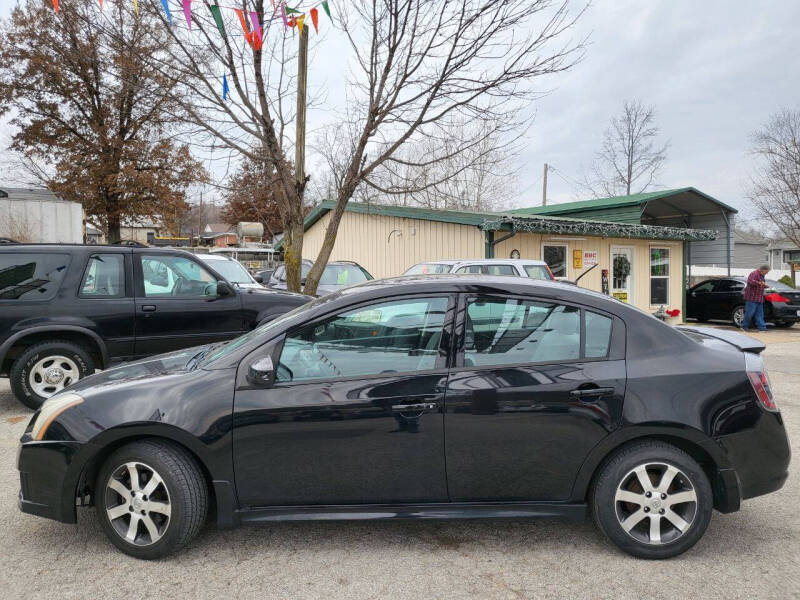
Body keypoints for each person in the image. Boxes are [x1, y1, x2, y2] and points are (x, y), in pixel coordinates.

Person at [741, 264, 770, 332]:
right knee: (749, 313)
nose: (767, 273)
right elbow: (750, 281)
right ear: (763, 270)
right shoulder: (754, 273)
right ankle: (744, 326)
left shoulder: (762, 275)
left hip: (759, 298)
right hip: (752, 298)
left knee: (760, 314)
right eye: (766, 271)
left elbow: (761, 284)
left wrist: (765, 286)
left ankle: (762, 328)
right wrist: (760, 283)